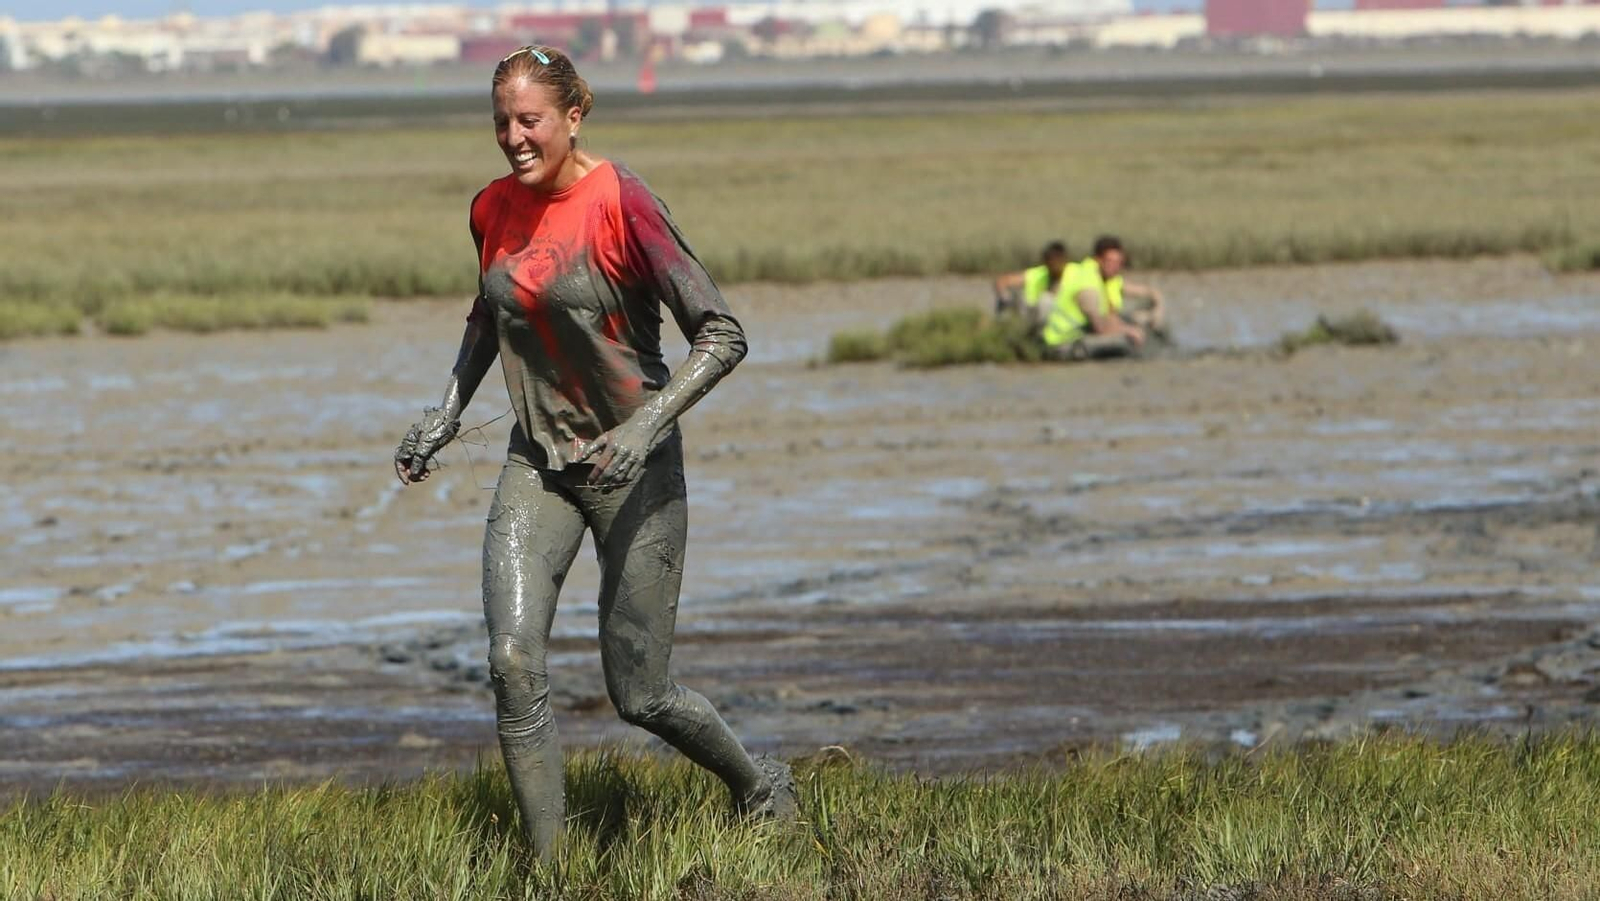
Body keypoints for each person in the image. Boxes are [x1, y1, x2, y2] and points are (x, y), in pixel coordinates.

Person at [392, 44, 796, 860]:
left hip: (636, 470)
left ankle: (760, 786)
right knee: (511, 663)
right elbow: (490, 309)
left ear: (575, 116)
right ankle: (550, 871)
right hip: (537, 463)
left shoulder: (624, 200)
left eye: (530, 120)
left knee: (640, 692)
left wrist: (643, 427)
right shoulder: (490, 207)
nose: (513, 136)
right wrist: (443, 411)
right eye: (501, 120)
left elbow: (723, 334)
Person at [1040, 235, 1156, 359]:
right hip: (1063, 346)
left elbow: (1109, 316)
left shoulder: (1092, 275)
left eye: (1119, 262)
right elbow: (1100, 327)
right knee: (1125, 342)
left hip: (1070, 338)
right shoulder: (1088, 286)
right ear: (1098, 260)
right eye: (1110, 262)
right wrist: (1129, 331)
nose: (1115, 267)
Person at [991, 240, 1070, 331]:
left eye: (1056, 260)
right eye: (1049, 260)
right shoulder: (1039, 274)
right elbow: (1003, 281)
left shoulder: (1074, 273)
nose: (1053, 264)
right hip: (1032, 317)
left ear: (1064, 260)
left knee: (1046, 301)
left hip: (1064, 322)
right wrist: (1005, 297)